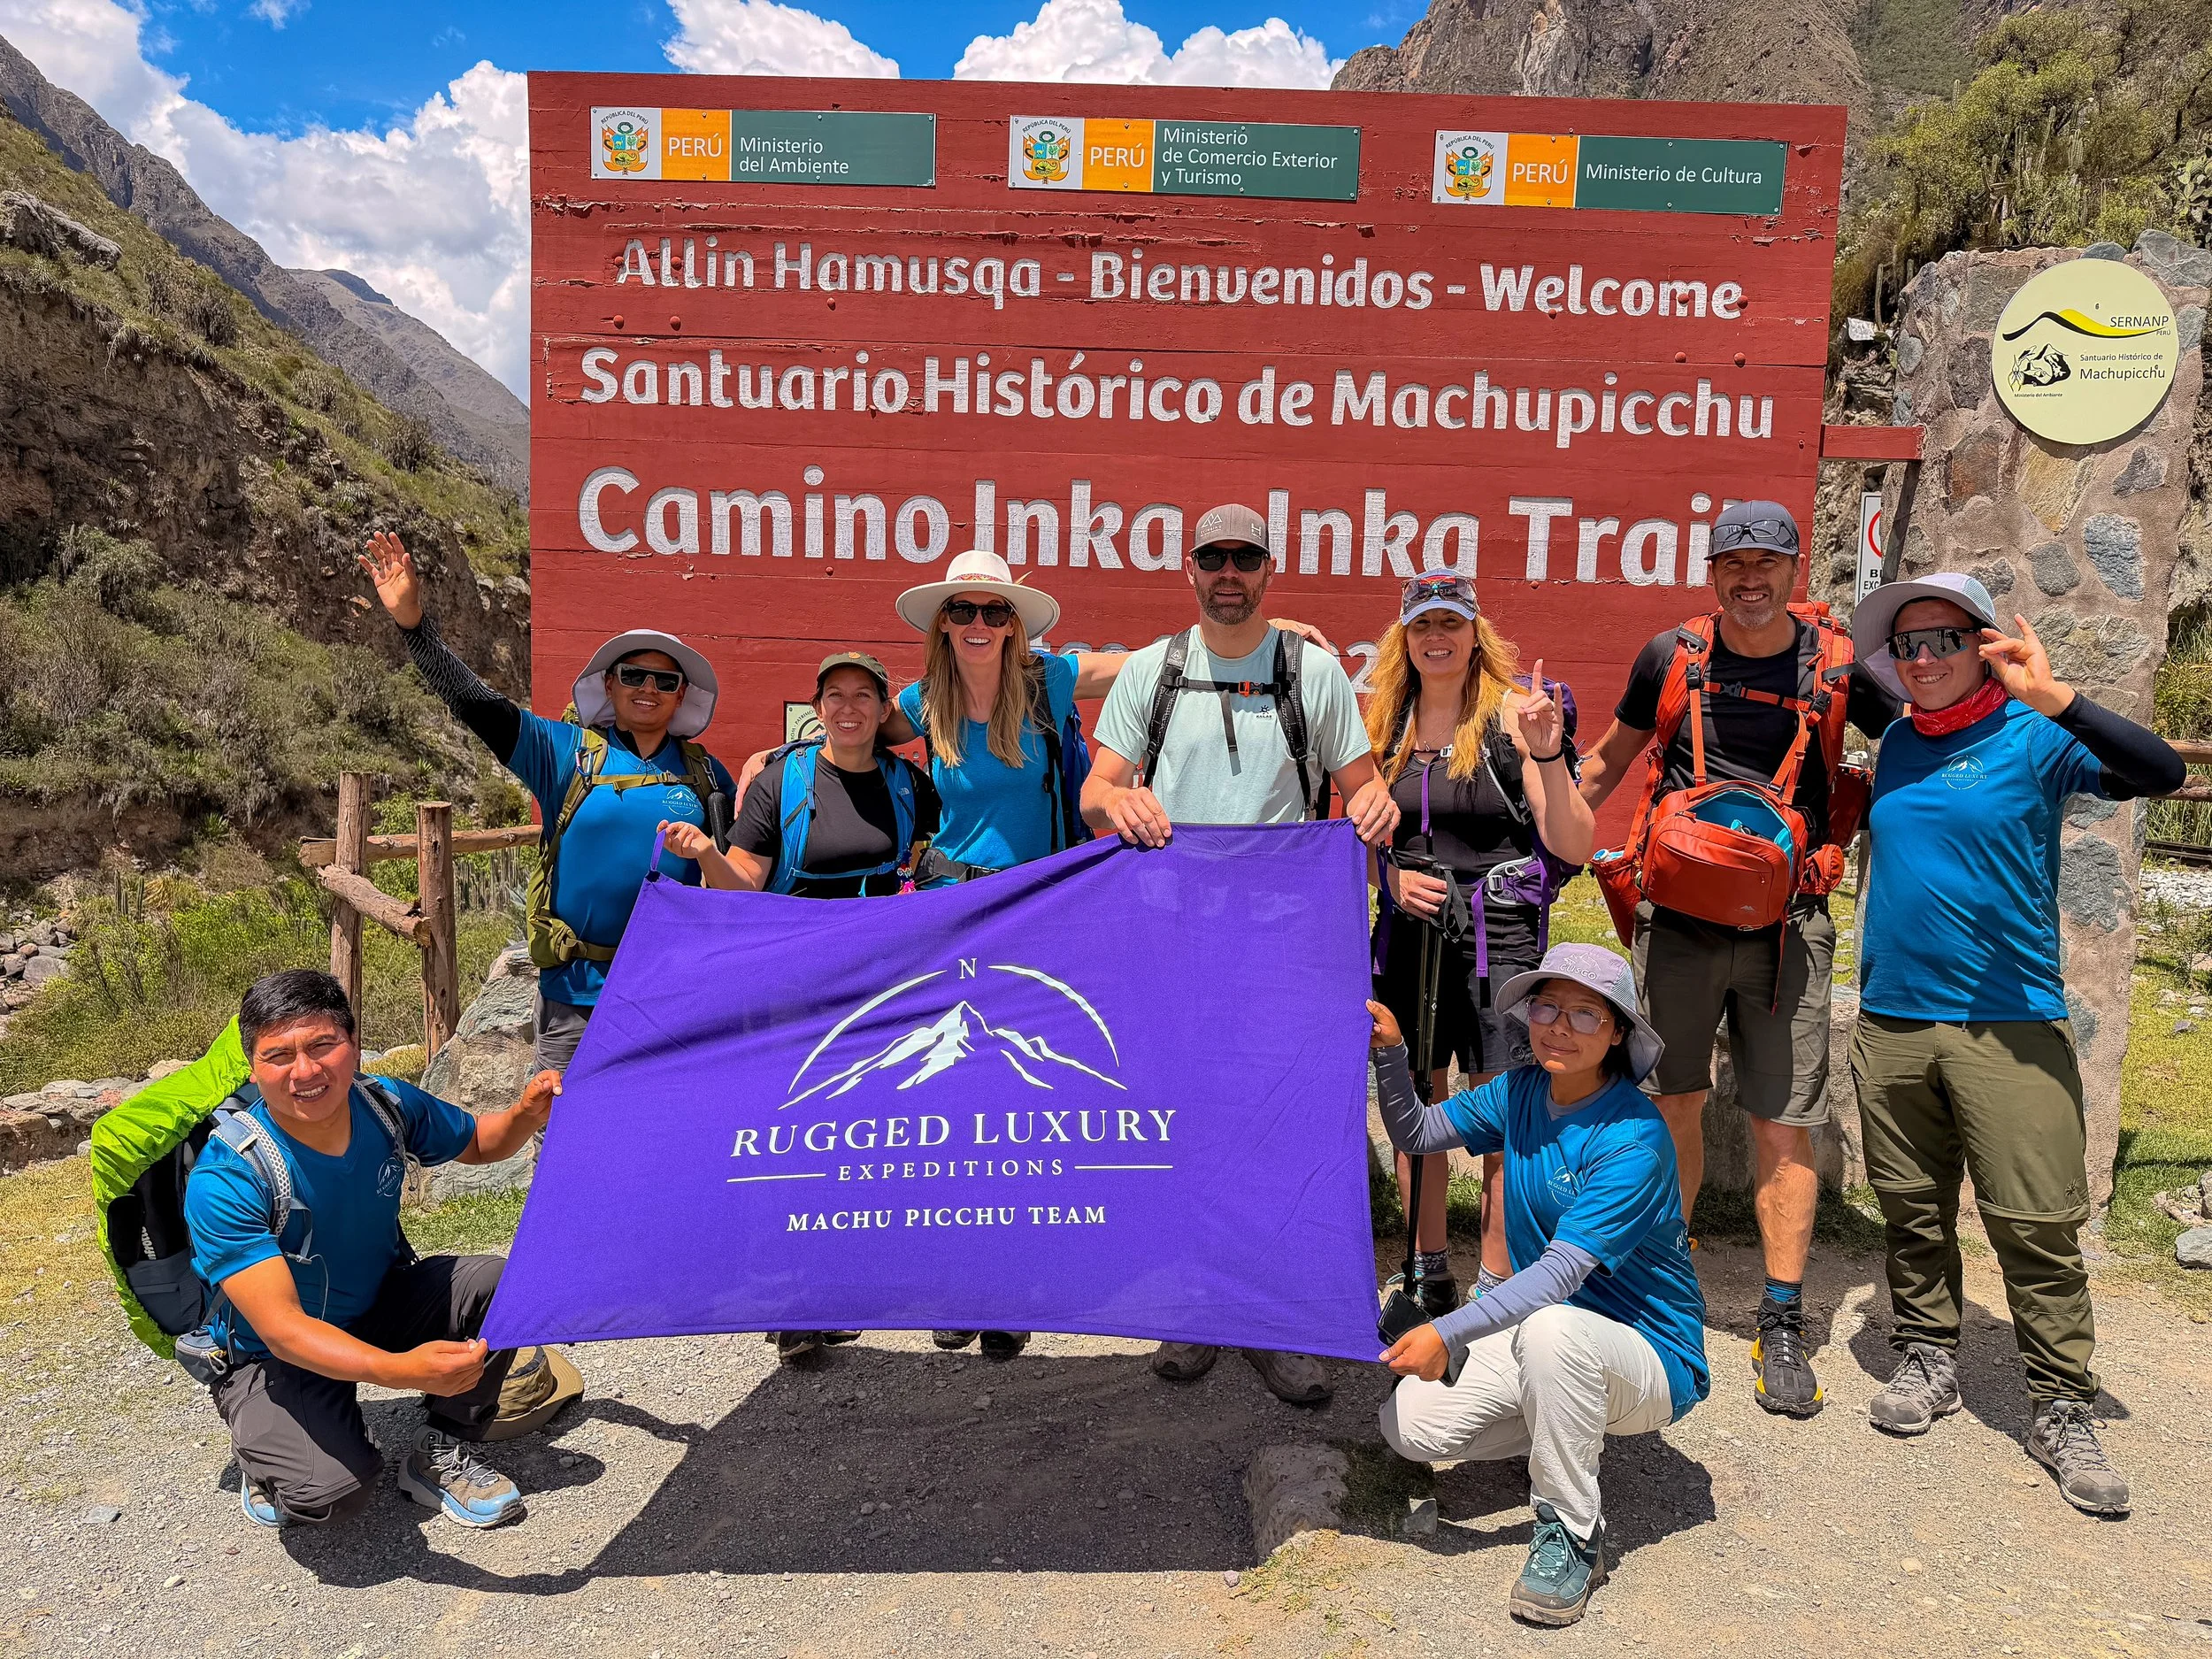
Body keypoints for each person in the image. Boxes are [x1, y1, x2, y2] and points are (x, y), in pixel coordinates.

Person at [1847, 574, 2181, 1517]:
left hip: (2010, 1018)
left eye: (1942, 638)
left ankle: (2060, 1405)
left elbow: (2160, 774)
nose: (1920, 658)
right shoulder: (1900, 743)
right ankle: (1925, 1356)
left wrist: (2057, 698)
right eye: (1904, 645)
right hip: (1894, 1020)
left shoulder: (2036, 738)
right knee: (1910, 1208)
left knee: (2034, 1223)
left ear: (1984, 643)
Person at [1578, 499, 1899, 1418]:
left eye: (1766, 563)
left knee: (1780, 1123)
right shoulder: (1671, 658)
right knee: (1670, 1102)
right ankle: (1664, 1288)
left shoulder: (1838, 668)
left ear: (1795, 571)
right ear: (1711, 572)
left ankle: (1783, 1319)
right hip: (1676, 920)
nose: (1748, 579)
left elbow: (1917, 748)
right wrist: (1543, 817)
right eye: (1732, 563)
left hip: (1789, 926)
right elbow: (1606, 764)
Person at [1080, 502, 1399, 1406]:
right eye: (1213, 558)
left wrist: (1376, 813)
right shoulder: (1155, 670)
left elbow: (1363, 789)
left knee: (1278, 1119)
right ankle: (1195, 1307)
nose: (1229, 573)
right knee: (1185, 1115)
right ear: (1190, 569)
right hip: (1175, 936)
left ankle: (1279, 1318)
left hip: (1282, 940)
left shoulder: (1313, 672)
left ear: (1269, 570)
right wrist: (1121, 806)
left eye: (1244, 558)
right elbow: (1094, 789)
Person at [1369, 942, 1706, 1627]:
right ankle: (1562, 1428)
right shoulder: (1520, 1090)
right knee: (1406, 1425)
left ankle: (1574, 1531)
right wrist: (1391, 1052)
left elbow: (1558, 1276)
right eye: (1547, 1005)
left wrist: (1448, 1329)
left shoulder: (1634, 1138)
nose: (1559, 1025)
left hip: (1652, 1357)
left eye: (1586, 1014)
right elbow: (1417, 1129)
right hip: (1549, 1335)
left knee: (1553, 1329)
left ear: (1617, 1032)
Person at [186, 970, 576, 1531]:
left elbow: (479, 1142)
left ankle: (439, 1449)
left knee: (501, 1285)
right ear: (253, 1068)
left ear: (353, 1044)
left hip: (378, 1304)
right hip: (276, 1355)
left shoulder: (384, 1105)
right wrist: (400, 1371)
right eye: (279, 1056)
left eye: (323, 1044)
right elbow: (283, 1330)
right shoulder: (229, 1176)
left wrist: (523, 1115)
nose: (305, 1071)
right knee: (329, 1494)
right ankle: (263, 1447)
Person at [358, 532, 736, 1072]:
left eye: (664, 679)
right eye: (633, 675)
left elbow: (735, 891)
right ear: (609, 684)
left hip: (672, 995)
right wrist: (416, 629)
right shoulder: (564, 754)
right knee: (559, 1141)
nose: (647, 687)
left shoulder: (706, 775)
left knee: (656, 1140)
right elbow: (477, 706)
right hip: (574, 997)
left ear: (680, 694)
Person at [664, 651, 937, 1364]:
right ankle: (792, 1306)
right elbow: (744, 884)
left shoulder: (910, 783)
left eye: (863, 696)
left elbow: (932, 866)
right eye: (834, 696)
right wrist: (704, 856)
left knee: (872, 1131)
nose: (848, 708)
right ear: (818, 707)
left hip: (882, 979)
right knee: (797, 1133)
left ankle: (842, 1285)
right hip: (795, 981)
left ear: (884, 711)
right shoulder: (783, 782)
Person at [1365, 571, 1595, 1318]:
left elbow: (1573, 842)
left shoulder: (1512, 720)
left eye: (1452, 623)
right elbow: (1355, 830)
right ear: (1406, 637)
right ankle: (1428, 1269)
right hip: (1408, 937)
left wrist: (1551, 756)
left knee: (1503, 1107)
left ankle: (1499, 1280)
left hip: (1500, 943)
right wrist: (1391, 879)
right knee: (1420, 1096)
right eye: (1423, 624)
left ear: (1474, 634)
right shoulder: (1383, 727)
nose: (1438, 637)